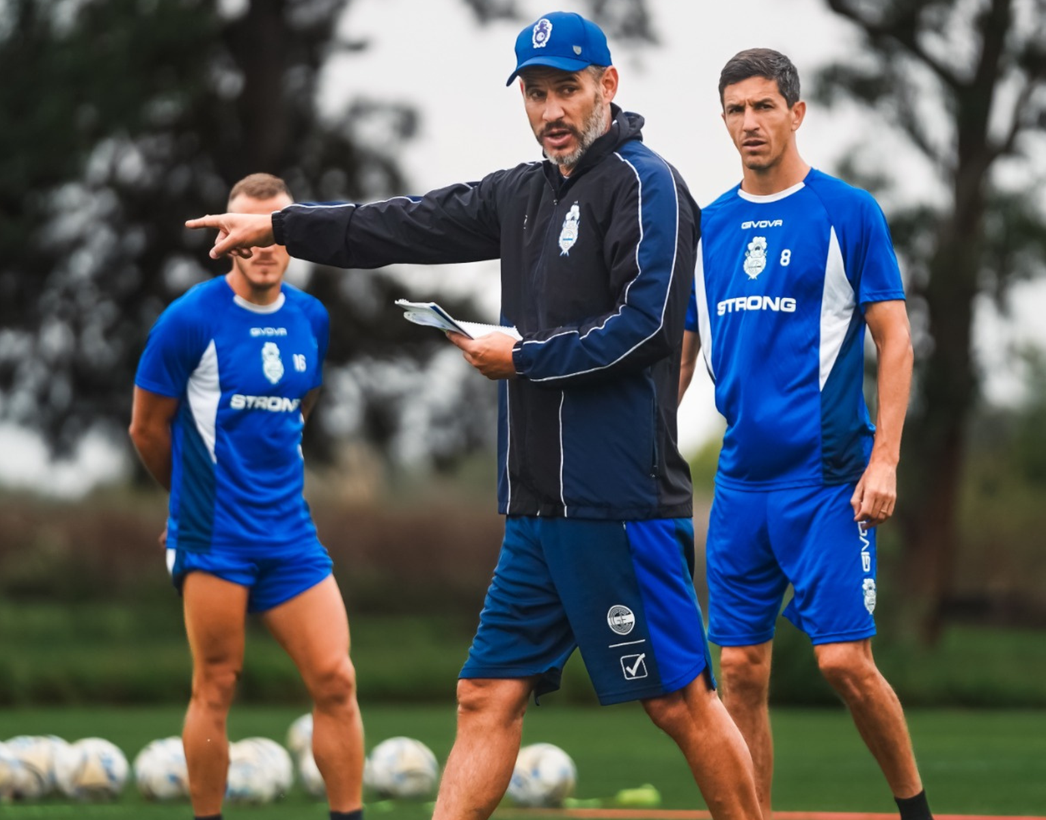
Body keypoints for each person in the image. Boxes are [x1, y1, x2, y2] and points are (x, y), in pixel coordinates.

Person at [186, 14, 761, 820]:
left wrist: (520, 356)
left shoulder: (647, 183)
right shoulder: (519, 193)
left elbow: (647, 329)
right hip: (532, 511)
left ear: (608, 86)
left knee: (678, 701)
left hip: (616, 506)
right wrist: (283, 225)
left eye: (568, 89)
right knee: (485, 695)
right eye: (536, 93)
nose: (552, 109)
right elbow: (399, 221)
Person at [678, 49, 928, 820]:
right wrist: (647, 441)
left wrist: (884, 459)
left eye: (763, 107)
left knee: (845, 663)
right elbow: (684, 350)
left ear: (797, 111)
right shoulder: (707, 227)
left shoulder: (848, 212)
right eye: (735, 110)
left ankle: (915, 811)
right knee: (741, 671)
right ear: (722, 120)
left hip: (828, 483)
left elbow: (897, 340)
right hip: (741, 487)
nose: (749, 124)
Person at [130, 174, 364, 820]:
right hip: (213, 538)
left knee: (336, 680)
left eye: (275, 233)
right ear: (226, 236)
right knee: (217, 685)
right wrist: (184, 501)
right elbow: (146, 428)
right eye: (248, 233)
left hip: (291, 536)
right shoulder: (189, 320)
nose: (263, 247)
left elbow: (302, 407)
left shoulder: (310, 318)